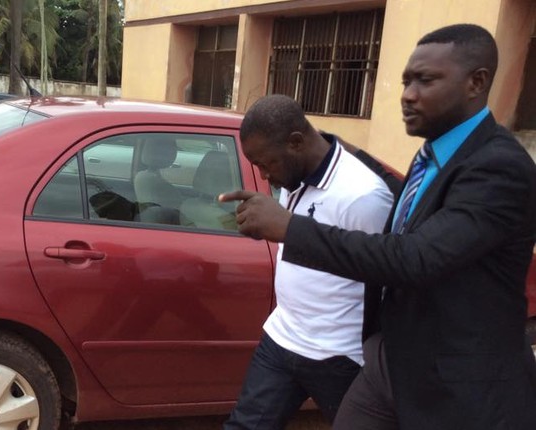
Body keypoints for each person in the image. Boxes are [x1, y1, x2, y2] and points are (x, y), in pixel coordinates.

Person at [220, 23, 536, 430]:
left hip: (456, 374)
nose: (407, 93)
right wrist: (338, 151)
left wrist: (291, 228)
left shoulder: (499, 167)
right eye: (406, 80)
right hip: (392, 357)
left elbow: (417, 257)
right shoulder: (436, 156)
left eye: (426, 80)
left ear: (476, 82)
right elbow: (408, 197)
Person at [223, 95, 393, 430]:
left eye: (266, 164)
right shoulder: (294, 176)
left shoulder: (364, 197)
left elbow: (385, 277)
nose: (263, 175)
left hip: (339, 355)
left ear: (296, 142)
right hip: (283, 336)